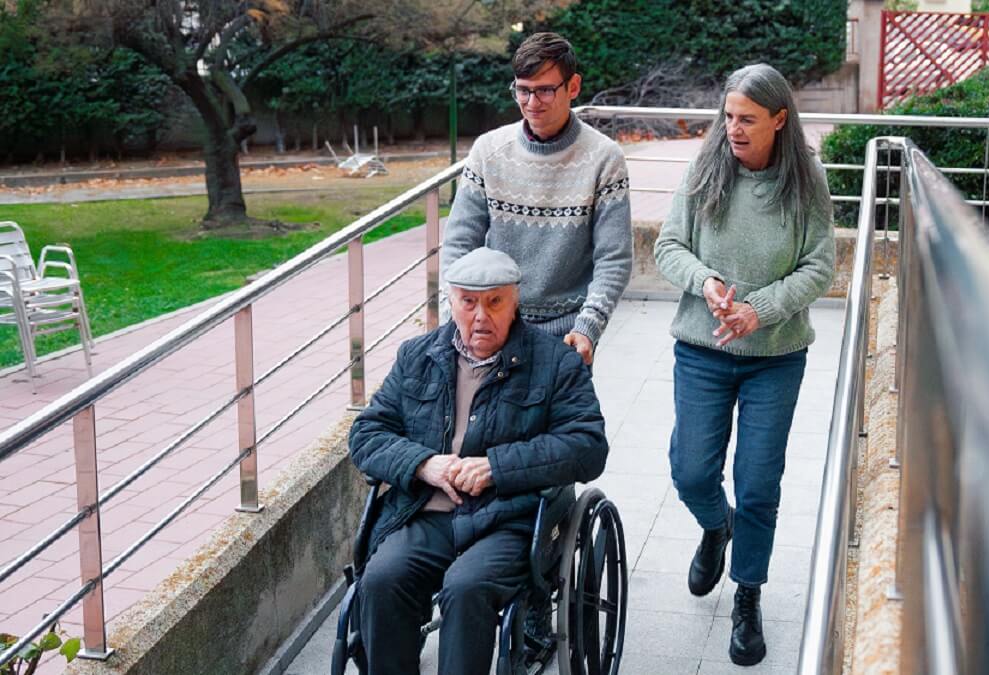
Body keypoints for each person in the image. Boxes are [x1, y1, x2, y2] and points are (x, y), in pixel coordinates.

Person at [348, 247, 608, 675]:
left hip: (508, 518)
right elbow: (366, 433)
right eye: (468, 302)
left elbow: (588, 446)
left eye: (494, 302)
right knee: (381, 579)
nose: (480, 316)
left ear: (515, 303)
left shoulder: (555, 363)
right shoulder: (417, 356)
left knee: (466, 587)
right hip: (426, 513)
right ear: (451, 302)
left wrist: (496, 467)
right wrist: (423, 464)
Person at [652, 63, 835, 667]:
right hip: (701, 350)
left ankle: (747, 593)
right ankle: (716, 527)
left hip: (774, 358)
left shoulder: (807, 182)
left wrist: (761, 310)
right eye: (729, 116)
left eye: (747, 119)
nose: (733, 128)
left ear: (779, 120)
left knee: (758, 485)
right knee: (690, 472)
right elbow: (668, 245)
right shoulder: (706, 169)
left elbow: (819, 266)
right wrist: (705, 282)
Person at [439, 32, 633, 366]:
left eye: (544, 90)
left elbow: (613, 258)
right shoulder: (488, 151)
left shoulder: (605, 158)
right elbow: (459, 245)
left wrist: (588, 327)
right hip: (493, 329)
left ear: (573, 87)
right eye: (522, 90)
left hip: (568, 336)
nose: (531, 103)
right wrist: (455, 315)